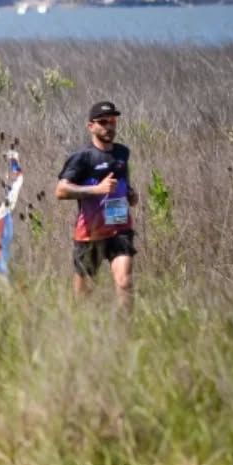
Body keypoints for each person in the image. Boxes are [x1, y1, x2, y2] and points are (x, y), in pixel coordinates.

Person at [56, 101, 139, 311]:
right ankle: (80, 330)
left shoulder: (122, 153)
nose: (108, 127)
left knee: (125, 282)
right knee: (84, 297)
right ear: (90, 126)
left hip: (120, 228)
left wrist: (129, 193)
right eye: (103, 122)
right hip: (90, 234)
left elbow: (122, 181)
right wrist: (96, 190)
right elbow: (61, 190)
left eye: (112, 121)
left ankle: (125, 331)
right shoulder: (82, 157)